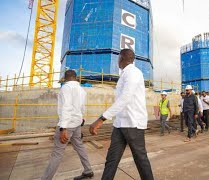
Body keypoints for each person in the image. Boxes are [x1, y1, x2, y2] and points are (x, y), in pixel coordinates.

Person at [89, 49, 154, 180]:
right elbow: (121, 100)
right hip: (120, 124)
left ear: (122, 58)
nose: (117, 61)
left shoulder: (133, 73)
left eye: (118, 58)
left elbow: (125, 98)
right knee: (111, 160)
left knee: (140, 160)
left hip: (133, 124)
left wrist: (102, 118)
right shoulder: (124, 74)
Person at [42, 70, 94, 180]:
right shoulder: (81, 90)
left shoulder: (66, 88)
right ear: (76, 78)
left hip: (68, 125)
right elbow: (82, 107)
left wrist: (63, 128)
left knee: (57, 153)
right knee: (79, 146)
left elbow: (66, 107)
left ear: (65, 78)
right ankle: (88, 170)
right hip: (77, 123)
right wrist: (81, 117)